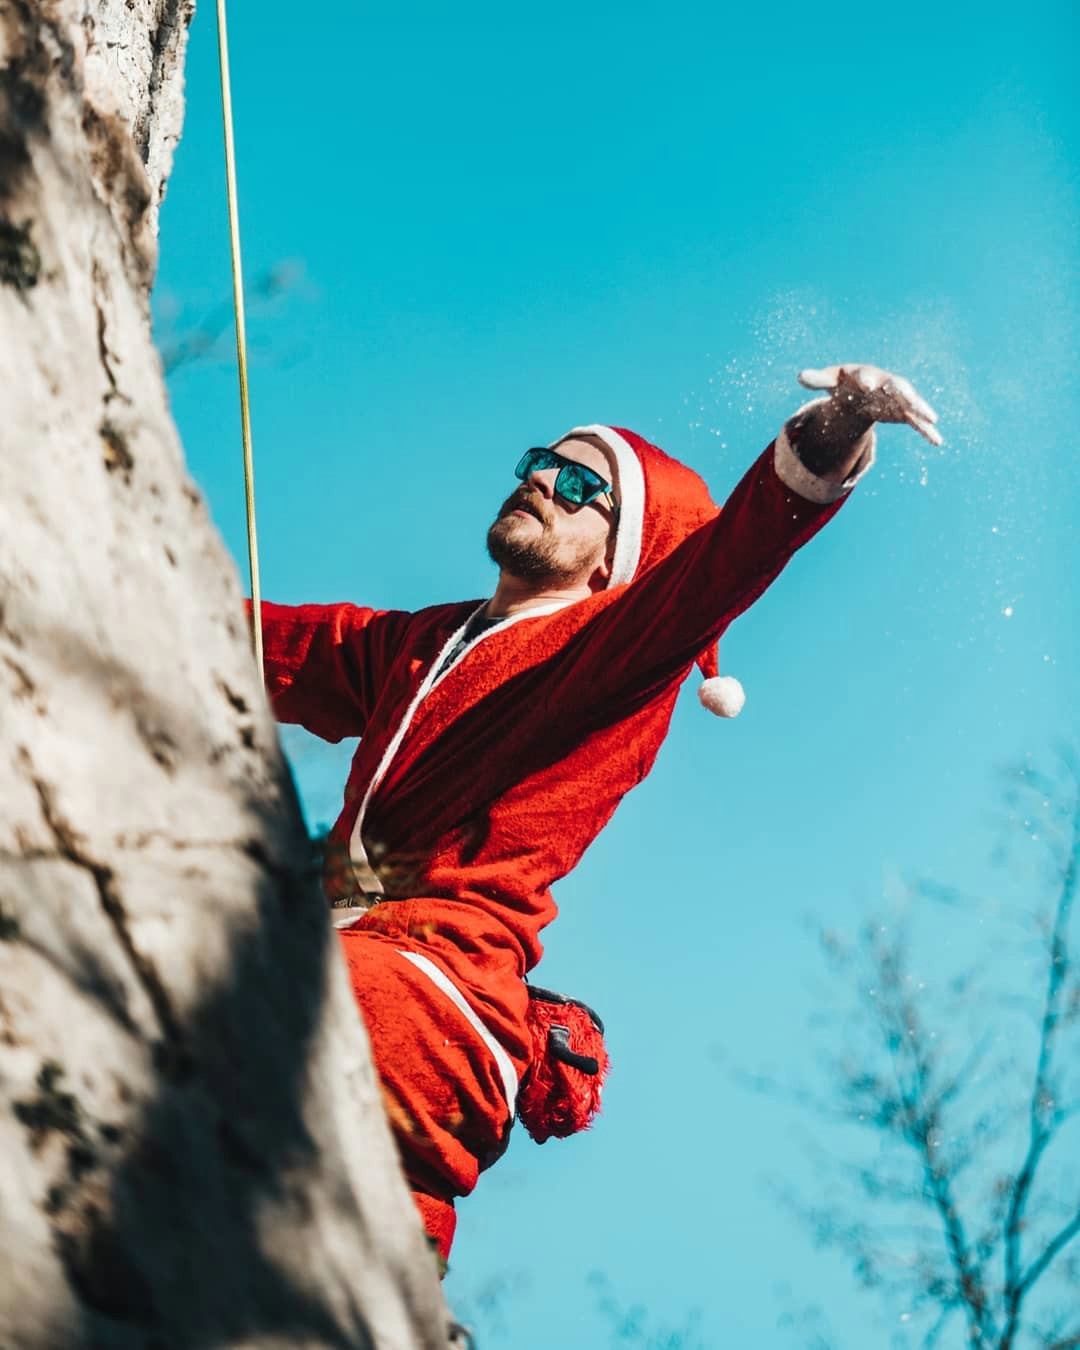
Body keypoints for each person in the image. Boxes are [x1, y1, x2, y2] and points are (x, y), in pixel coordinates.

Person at [256, 363, 941, 1262]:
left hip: (435, 999)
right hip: (363, 990)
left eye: (583, 486)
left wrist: (835, 427)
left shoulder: (614, 653)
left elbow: (723, 561)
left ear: (619, 560)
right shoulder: (416, 643)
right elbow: (237, 636)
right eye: (541, 461)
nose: (542, 479)